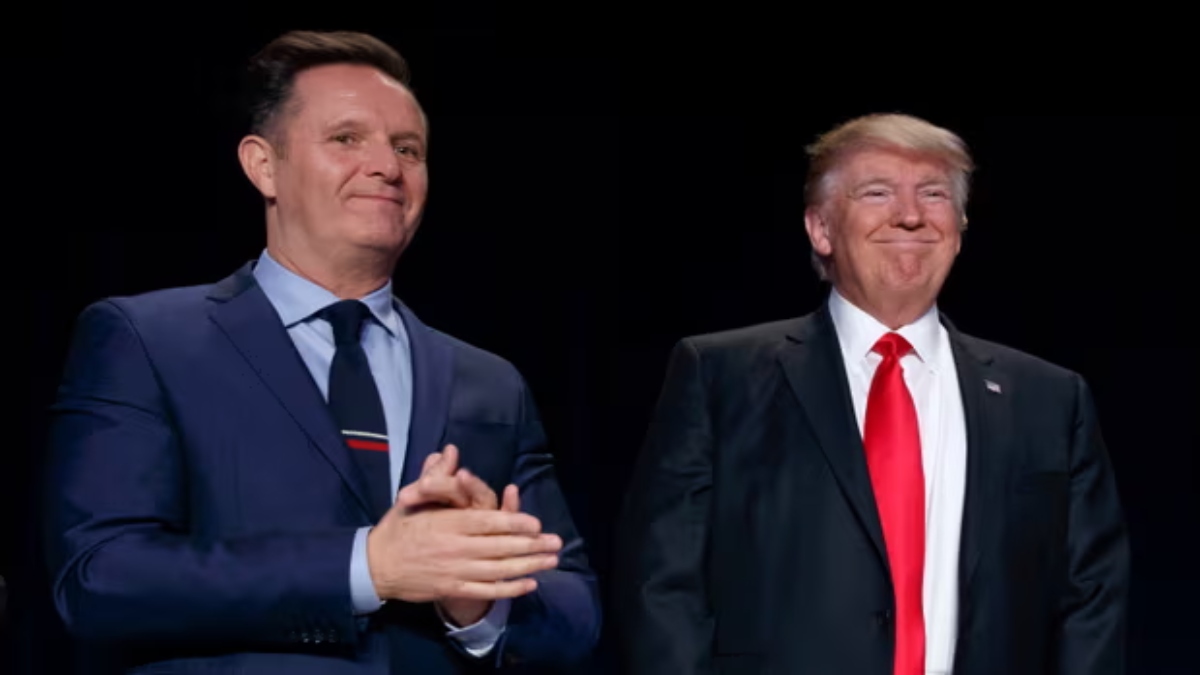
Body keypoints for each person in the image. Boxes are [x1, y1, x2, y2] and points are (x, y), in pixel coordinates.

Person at [44, 30, 599, 674]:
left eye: (407, 148)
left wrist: (474, 603)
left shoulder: (488, 382)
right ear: (263, 166)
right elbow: (100, 581)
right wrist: (369, 567)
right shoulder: (147, 339)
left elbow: (574, 612)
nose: (387, 166)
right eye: (346, 139)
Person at [616, 113, 1129, 674]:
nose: (910, 216)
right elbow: (662, 587)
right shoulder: (718, 376)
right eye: (878, 192)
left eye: (933, 194)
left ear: (958, 228)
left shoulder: (1049, 399)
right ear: (821, 229)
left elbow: (1090, 603)